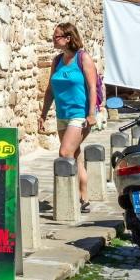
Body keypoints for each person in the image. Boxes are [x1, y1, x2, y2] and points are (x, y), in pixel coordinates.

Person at [40, 23, 101, 209]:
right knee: (74, 155)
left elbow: (92, 88)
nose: (53, 39)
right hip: (62, 115)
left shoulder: (83, 59)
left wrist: (91, 113)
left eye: (56, 37)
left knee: (65, 153)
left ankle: (71, 200)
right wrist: (43, 115)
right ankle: (84, 198)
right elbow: (50, 89)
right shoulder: (57, 61)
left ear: (68, 38)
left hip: (79, 115)